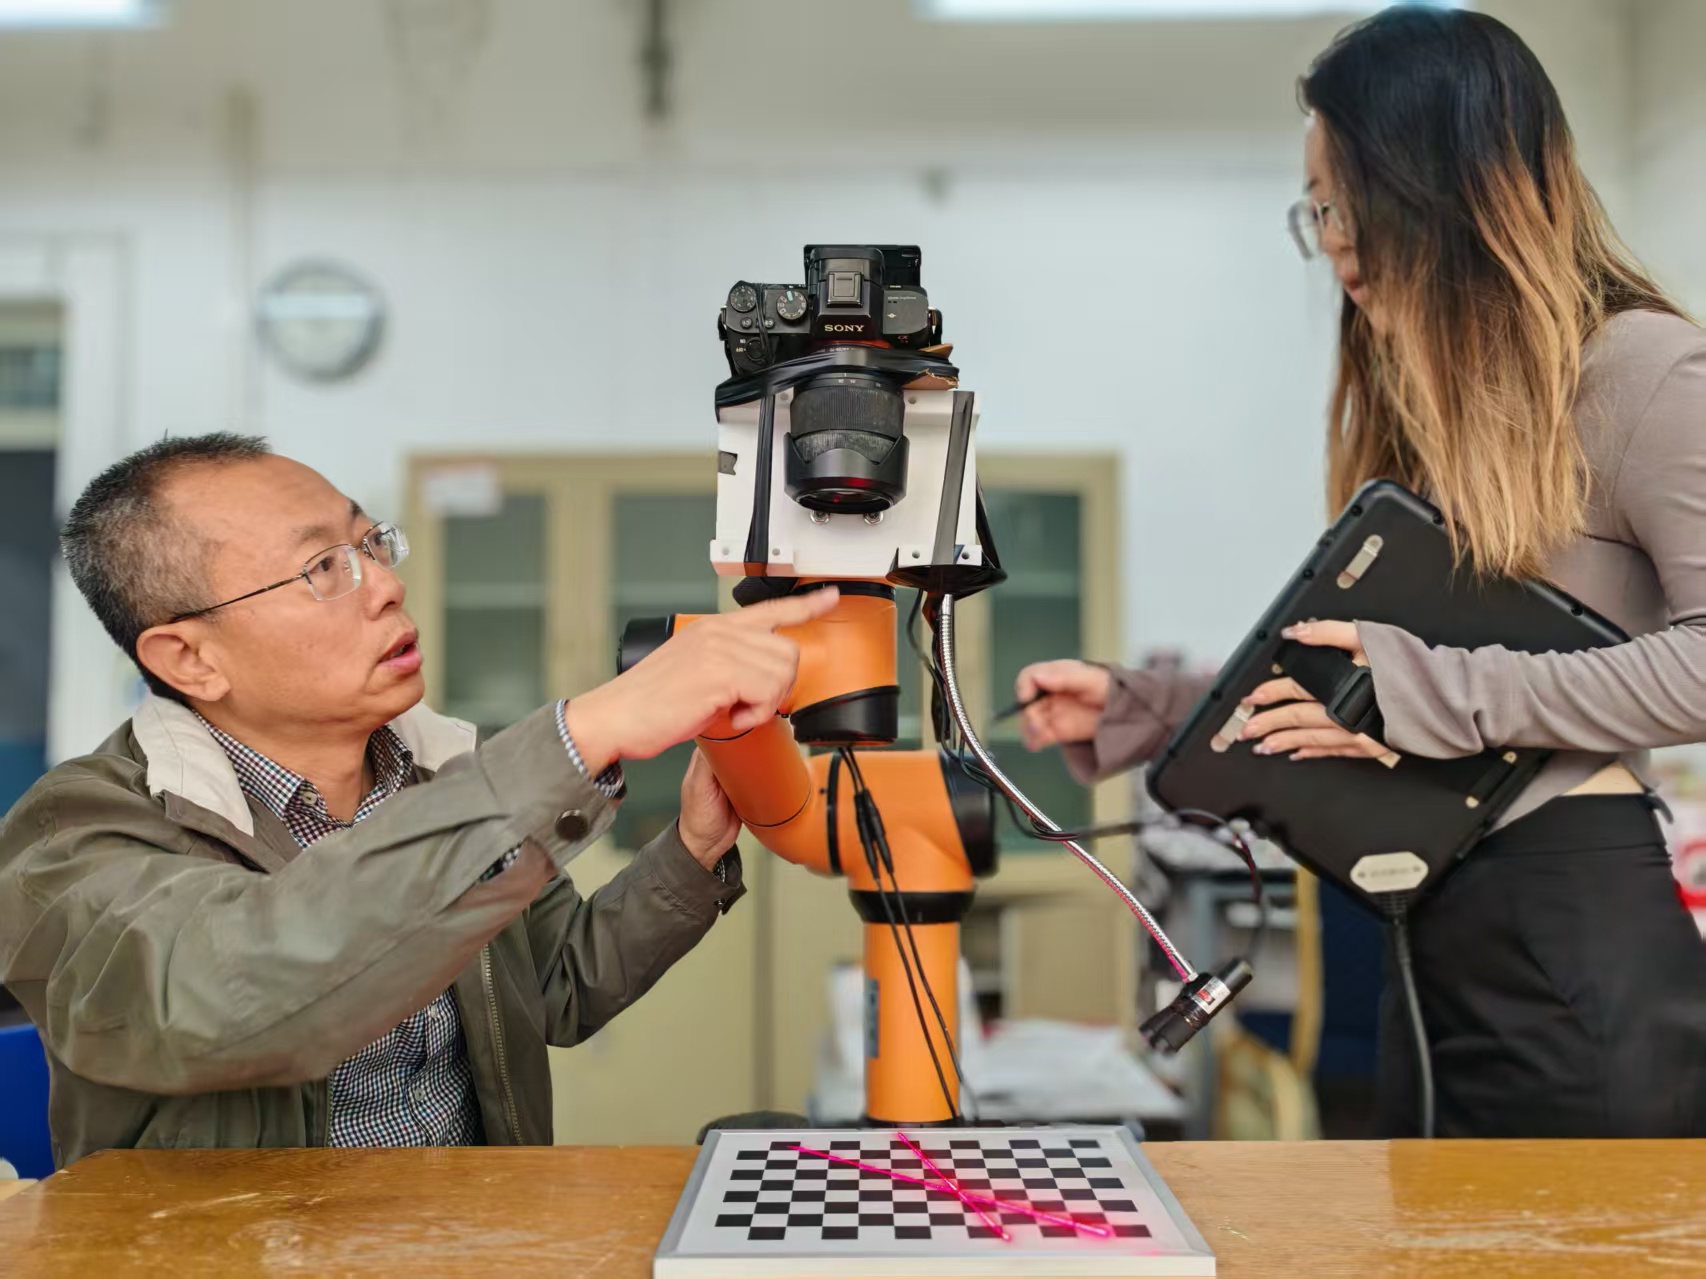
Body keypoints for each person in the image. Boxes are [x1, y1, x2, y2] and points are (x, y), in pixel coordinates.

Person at [1017, 6, 1706, 1139]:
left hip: (1568, 936)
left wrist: (1427, 688)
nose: (1329, 241)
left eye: (1339, 201)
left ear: (1439, 187)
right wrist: (1162, 710)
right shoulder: (1444, 417)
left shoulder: (1642, 372)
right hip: (1428, 930)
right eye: (1314, 211)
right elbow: (1386, 676)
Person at [0, 433, 838, 1165]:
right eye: (323, 567)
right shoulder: (75, 836)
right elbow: (242, 983)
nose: (384, 585)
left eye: (372, 544)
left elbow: (558, 983)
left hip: (460, 1239)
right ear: (190, 659)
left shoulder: (436, 767)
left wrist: (690, 853)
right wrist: (582, 735)